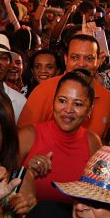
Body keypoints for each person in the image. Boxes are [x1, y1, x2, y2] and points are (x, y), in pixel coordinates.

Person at [19, 70, 102, 204]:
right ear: (53, 102)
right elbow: (3, 189)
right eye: (62, 100)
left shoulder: (93, 142)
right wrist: (26, 173)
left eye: (78, 104)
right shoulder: (28, 136)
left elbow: (98, 196)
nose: (68, 109)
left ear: (89, 110)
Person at [18, 34, 110, 137]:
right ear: (65, 59)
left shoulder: (106, 97)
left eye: (89, 59)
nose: (81, 64)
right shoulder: (43, 91)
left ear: (98, 61)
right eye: (75, 57)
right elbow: (22, 136)